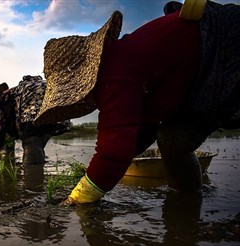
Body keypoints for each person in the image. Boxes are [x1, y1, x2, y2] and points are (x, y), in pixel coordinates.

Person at [33, 0, 240, 204]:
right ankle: (186, 207)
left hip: (226, 45)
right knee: (173, 139)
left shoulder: (114, 74)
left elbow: (114, 151)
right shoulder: (123, 67)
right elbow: (143, 128)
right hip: (208, 60)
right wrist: (95, 173)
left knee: (176, 139)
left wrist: (77, 198)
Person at [0, 75, 71, 165]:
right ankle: (38, 168)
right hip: (54, 98)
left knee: (31, 142)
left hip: (34, 104)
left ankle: (33, 180)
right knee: (39, 139)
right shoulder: (7, 97)